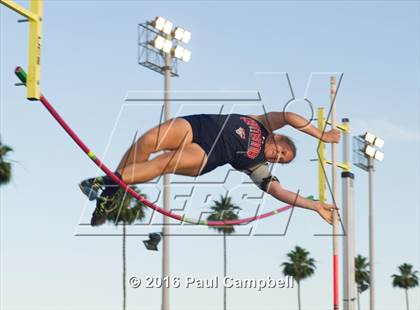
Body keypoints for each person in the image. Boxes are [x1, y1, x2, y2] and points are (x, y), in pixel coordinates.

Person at [80, 112, 340, 226]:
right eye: (283, 151)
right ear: (278, 138)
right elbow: (290, 117)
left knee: (165, 162)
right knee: (148, 140)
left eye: (282, 160)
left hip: (207, 153)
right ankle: (110, 192)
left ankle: (106, 184)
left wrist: (315, 205)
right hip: (199, 125)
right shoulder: (261, 123)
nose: (278, 157)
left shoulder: (257, 166)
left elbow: (279, 192)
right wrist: (321, 135)